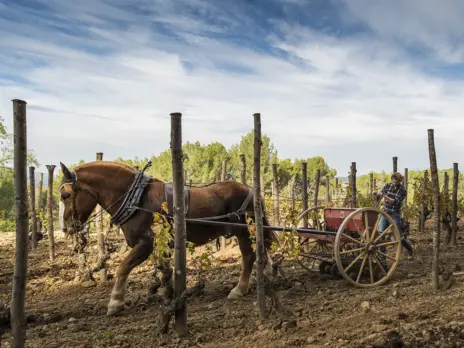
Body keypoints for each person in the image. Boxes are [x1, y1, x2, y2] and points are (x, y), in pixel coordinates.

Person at [373, 172, 414, 260]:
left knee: (398, 236)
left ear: (400, 181)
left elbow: (394, 201)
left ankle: (410, 249)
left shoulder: (403, 190)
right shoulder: (387, 186)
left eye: (396, 180)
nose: (394, 181)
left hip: (395, 214)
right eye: (393, 179)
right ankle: (383, 255)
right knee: (380, 234)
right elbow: (380, 196)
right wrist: (376, 196)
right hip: (385, 213)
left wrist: (385, 196)